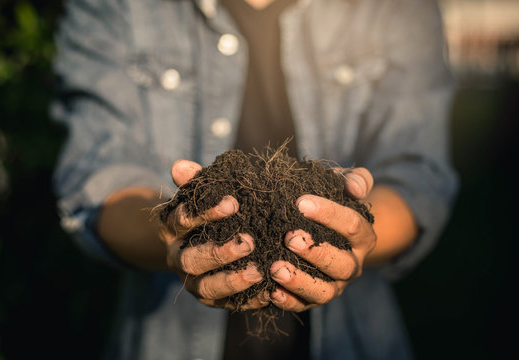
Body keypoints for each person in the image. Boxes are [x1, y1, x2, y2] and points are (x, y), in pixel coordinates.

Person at [52, 0, 458, 359]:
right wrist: (172, 233)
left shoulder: (397, 8)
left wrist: (356, 236)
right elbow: (98, 179)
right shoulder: (116, 7)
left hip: (352, 339)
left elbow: (416, 177)